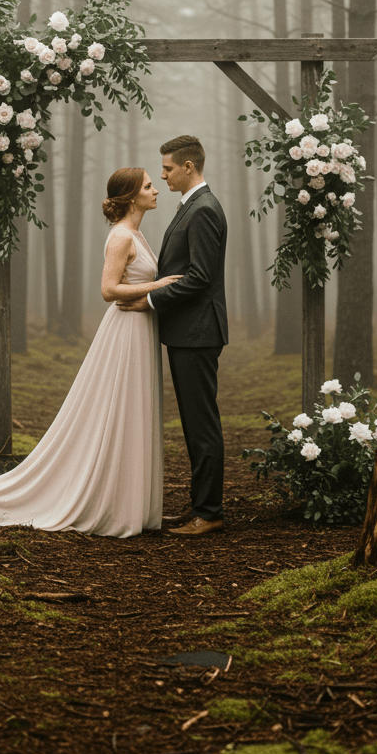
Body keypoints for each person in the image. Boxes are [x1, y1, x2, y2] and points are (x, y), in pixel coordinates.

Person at [0, 168, 180, 538]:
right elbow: (108, 289)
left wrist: (151, 296)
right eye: (148, 186)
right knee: (118, 407)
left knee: (134, 409)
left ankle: (129, 501)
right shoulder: (120, 237)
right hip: (125, 331)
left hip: (141, 326)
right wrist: (158, 285)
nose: (156, 189)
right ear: (131, 197)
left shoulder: (138, 233)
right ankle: (105, 501)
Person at [119, 135, 228, 538]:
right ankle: (201, 504)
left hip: (198, 331)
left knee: (202, 424)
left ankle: (210, 512)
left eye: (166, 168)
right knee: (194, 422)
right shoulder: (193, 206)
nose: (162, 174)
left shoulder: (203, 210)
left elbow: (200, 277)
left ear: (188, 167)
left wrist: (150, 301)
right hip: (188, 331)